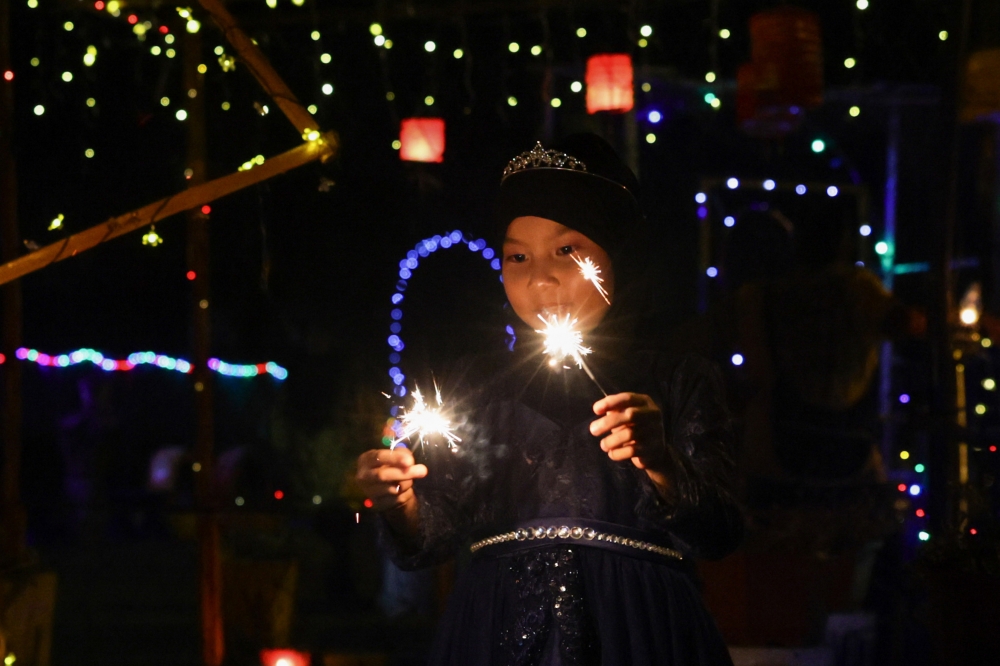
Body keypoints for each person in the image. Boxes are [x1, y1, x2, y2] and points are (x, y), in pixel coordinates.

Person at [356, 134, 743, 665]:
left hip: (637, 626)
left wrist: (660, 462)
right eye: (517, 256)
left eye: (568, 250)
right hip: (496, 624)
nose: (542, 277)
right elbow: (434, 537)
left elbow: (721, 530)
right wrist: (400, 503)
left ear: (617, 252)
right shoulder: (476, 387)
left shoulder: (676, 378)